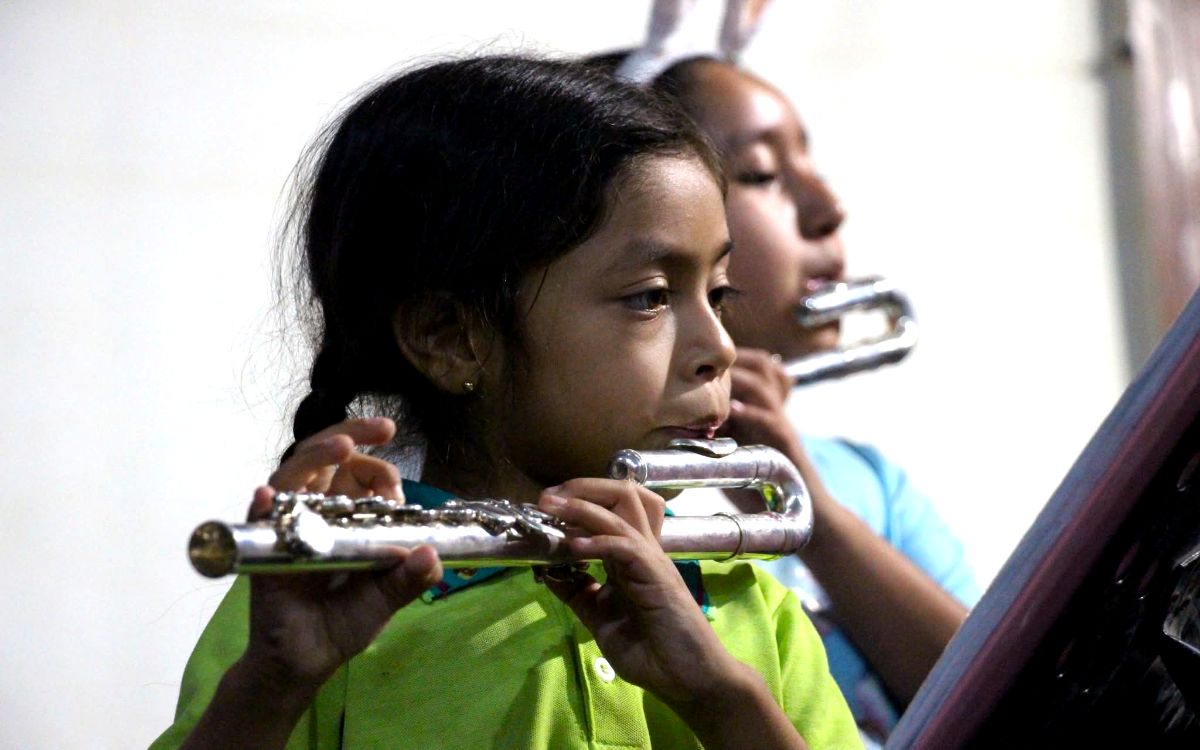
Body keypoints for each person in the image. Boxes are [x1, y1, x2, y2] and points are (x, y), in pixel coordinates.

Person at [151, 55, 862, 749]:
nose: (720, 347)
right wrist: (273, 686)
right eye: (649, 298)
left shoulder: (747, 606)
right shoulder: (322, 603)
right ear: (452, 338)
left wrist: (724, 699)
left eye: (719, 293)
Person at [585, 51, 981, 743]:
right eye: (762, 173)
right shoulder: (582, 494)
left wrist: (813, 515)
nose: (828, 209)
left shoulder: (865, 483)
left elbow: (1010, 698)